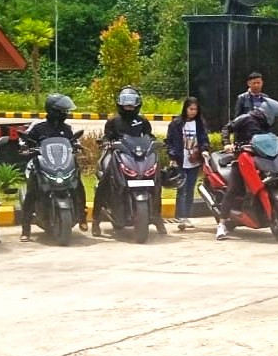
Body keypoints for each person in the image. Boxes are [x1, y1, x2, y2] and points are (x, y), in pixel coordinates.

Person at [92, 86, 164, 236]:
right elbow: (107, 136)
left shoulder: (142, 121)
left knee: (157, 180)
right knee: (104, 180)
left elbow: (149, 136)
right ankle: (96, 219)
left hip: (138, 156)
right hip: (117, 154)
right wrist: (106, 142)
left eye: (132, 103)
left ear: (138, 104)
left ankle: (157, 217)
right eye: (126, 103)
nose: (129, 106)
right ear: (120, 103)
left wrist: (155, 142)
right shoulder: (113, 121)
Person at [19, 93, 88, 241]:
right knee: (32, 191)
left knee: (78, 185)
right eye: (63, 110)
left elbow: (72, 141)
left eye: (66, 110)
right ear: (53, 110)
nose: (65, 113)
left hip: (62, 164)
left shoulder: (67, 128)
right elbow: (26, 139)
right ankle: (25, 229)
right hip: (42, 164)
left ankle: (82, 216)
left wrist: (77, 145)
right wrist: (25, 146)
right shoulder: (38, 127)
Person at [216, 98, 278, 240]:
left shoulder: (265, 124)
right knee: (234, 188)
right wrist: (227, 143)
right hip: (242, 158)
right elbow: (227, 128)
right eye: (276, 117)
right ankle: (221, 225)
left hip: (260, 160)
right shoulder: (245, 118)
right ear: (269, 113)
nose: (276, 121)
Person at [165, 96, 211, 231]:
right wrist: (172, 155)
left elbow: (204, 139)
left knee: (190, 189)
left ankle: (186, 216)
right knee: (181, 189)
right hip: (180, 160)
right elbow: (169, 141)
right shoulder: (176, 124)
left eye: (195, 109)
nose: (193, 112)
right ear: (185, 109)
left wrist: (204, 150)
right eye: (191, 109)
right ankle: (181, 216)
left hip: (194, 161)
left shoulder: (200, 123)